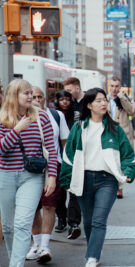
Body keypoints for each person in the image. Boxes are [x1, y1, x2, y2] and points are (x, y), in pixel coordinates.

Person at [59, 88, 135, 267]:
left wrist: (128, 172)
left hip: (107, 180)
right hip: (83, 179)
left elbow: (128, 155)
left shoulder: (115, 128)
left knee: (99, 220)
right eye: (99, 100)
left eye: (105, 100)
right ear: (89, 105)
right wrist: (66, 180)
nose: (103, 103)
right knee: (88, 220)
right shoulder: (79, 128)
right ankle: (93, 250)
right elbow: (68, 156)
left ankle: (92, 257)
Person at [0, 79, 57, 267]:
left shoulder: (41, 117)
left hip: (31, 177)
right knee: (8, 227)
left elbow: (51, 148)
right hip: (5, 175)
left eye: (31, 93)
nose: (31, 96)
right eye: (26, 93)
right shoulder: (2, 118)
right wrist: (16, 130)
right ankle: (14, 259)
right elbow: (1, 149)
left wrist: (52, 176)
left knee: (22, 224)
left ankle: (15, 265)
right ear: (14, 95)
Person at [25, 87, 70, 263]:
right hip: (29, 168)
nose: (36, 99)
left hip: (52, 166)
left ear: (45, 98)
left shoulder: (55, 115)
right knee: (33, 208)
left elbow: (64, 142)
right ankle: (36, 244)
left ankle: (45, 245)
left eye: (39, 96)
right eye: (33, 96)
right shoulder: (22, 115)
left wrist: (65, 166)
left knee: (49, 205)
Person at [107, 76, 135, 199]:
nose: (114, 89)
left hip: (123, 133)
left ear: (120, 87)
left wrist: (122, 98)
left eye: (116, 86)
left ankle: (119, 187)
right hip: (109, 133)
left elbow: (132, 111)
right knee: (111, 160)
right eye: (112, 86)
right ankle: (114, 185)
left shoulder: (125, 98)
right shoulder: (105, 99)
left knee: (121, 161)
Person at [62, 77, 84, 239]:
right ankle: (73, 223)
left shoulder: (88, 101)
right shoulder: (70, 106)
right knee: (73, 189)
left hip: (88, 151)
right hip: (73, 152)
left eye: (69, 91)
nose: (67, 97)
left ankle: (81, 222)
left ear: (77, 87)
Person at [53, 90, 75, 234]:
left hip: (73, 156)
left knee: (72, 190)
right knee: (59, 193)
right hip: (59, 158)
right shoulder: (54, 116)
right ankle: (61, 218)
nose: (65, 102)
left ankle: (73, 219)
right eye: (62, 100)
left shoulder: (76, 116)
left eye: (67, 99)